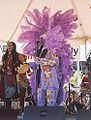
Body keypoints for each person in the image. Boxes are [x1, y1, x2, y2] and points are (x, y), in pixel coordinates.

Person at [0, 42, 28, 114]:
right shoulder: (4, 56)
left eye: (10, 45)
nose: (8, 47)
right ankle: (8, 111)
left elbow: (25, 65)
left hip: (17, 78)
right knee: (7, 94)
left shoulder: (19, 56)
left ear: (14, 47)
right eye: (8, 46)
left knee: (20, 94)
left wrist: (21, 70)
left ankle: (20, 110)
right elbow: (2, 66)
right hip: (7, 78)